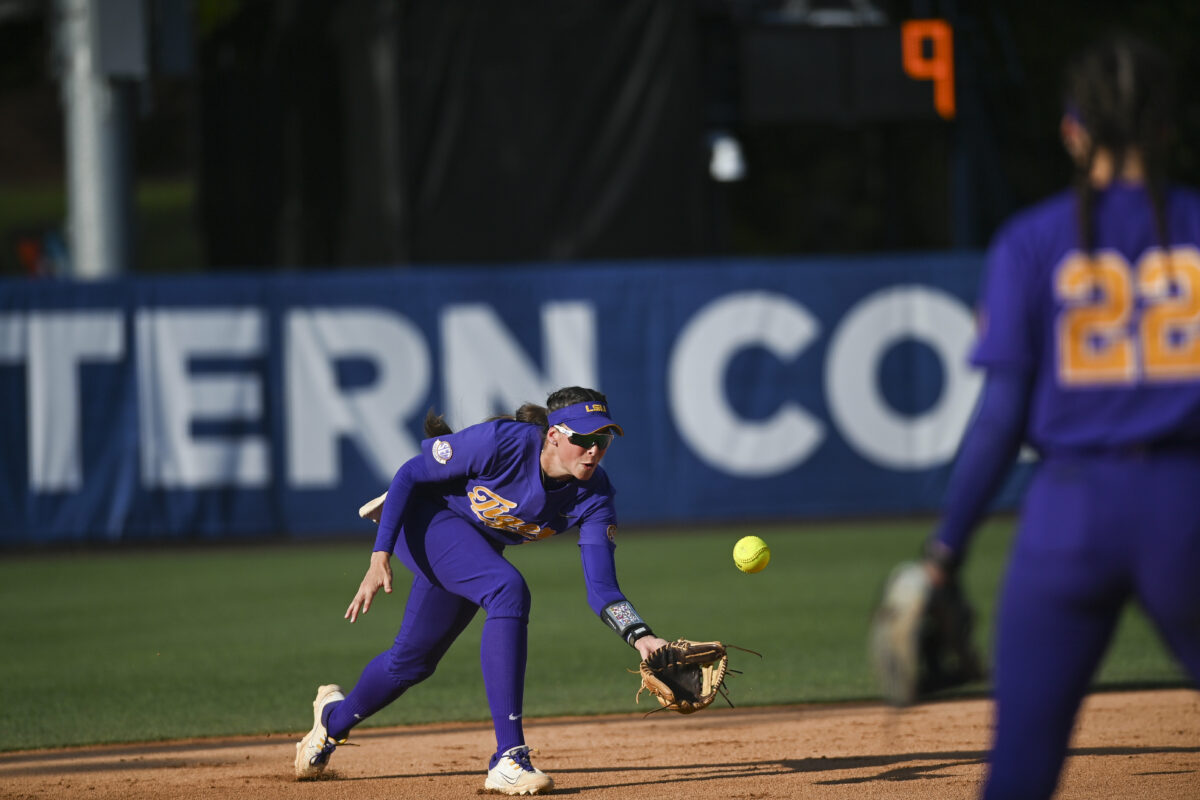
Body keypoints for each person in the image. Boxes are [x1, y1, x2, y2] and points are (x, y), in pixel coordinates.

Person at [921, 34, 1200, 800]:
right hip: (1185, 505)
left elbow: (1001, 417)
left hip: (1066, 514)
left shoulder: (1033, 240)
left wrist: (944, 550)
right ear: (1168, 127)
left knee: (1020, 767)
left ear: (1073, 130)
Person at [294, 386, 669, 795]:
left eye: (603, 439)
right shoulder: (505, 443)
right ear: (554, 435)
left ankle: (331, 722)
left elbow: (601, 588)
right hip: (424, 520)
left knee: (411, 663)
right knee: (507, 588)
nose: (593, 450)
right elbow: (410, 472)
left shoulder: (594, 496)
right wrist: (379, 554)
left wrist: (641, 636)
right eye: (583, 438)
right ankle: (509, 758)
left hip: (472, 548)